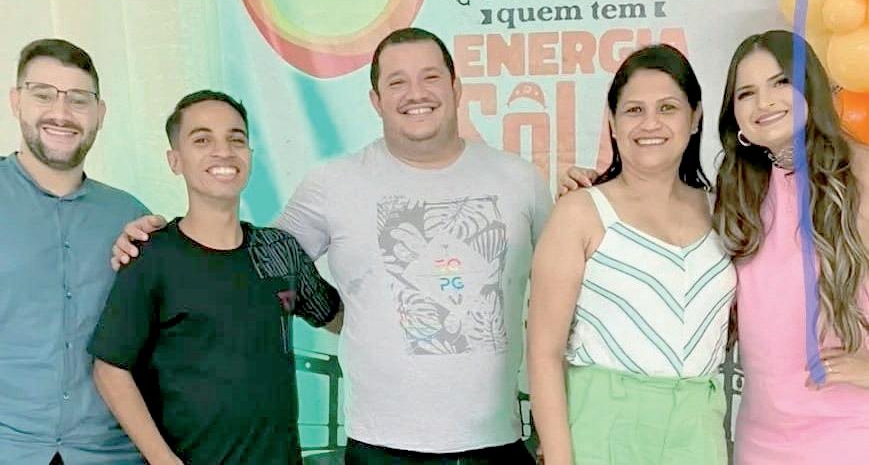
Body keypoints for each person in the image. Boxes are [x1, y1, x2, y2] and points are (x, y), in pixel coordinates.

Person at [112, 27, 551, 464]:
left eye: (430, 77)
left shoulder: (521, 180)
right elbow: (248, 262)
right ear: (375, 100)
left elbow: (570, 299)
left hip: (499, 443)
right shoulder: (333, 183)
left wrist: (584, 197)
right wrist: (154, 236)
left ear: (455, 87)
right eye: (397, 81)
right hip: (381, 449)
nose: (415, 93)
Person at [88, 90, 342, 465]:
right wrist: (163, 461)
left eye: (236, 139)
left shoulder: (279, 251)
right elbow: (110, 368)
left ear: (249, 155)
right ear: (175, 160)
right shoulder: (152, 256)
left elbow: (338, 317)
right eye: (202, 140)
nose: (223, 152)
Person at [528, 44, 735, 465]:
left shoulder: (724, 211)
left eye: (667, 108)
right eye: (634, 110)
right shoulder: (579, 212)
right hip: (600, 432)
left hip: (698, 434)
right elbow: (543, 353)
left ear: (695, 117)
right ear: (612, 121)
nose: (650, 123)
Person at [714, 30, 869, 465]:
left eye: (781, 82)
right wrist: (593, 189)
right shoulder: (735, 192)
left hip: (850, 433)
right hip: (760, 440)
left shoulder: (861, 174)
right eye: (746, 93)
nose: (763, 103)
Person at [0, 39, 145, 465]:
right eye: (43, 94)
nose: (61, 113)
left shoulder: (131, 217)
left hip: (111, 455)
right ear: (16, 101)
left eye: (79, 99)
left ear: (100, 113)